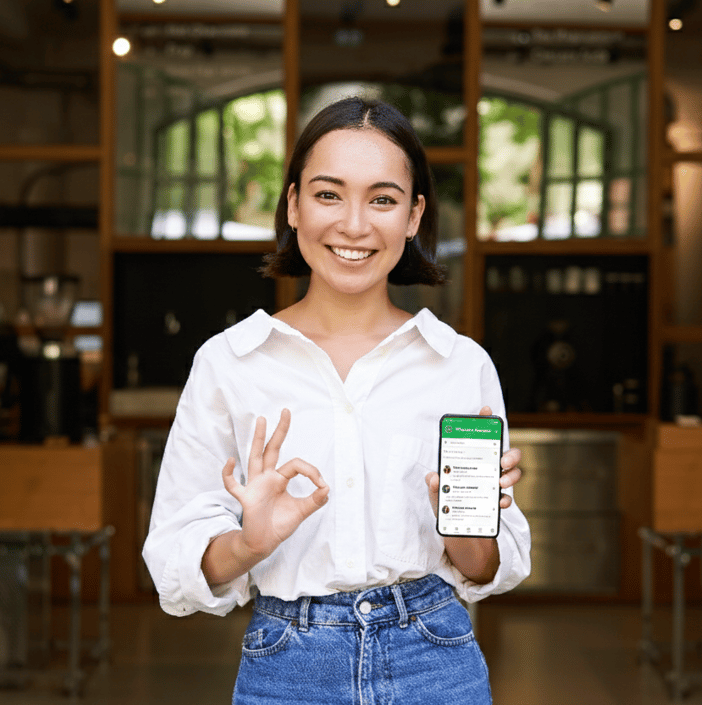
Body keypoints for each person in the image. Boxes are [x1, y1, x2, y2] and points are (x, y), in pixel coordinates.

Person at [143, 96, 531, 705]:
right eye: (328, 194)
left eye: (382, 198)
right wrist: (249, 542)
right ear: (294, 205)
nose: (355, 224)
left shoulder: (459, 365)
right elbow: (175, 563)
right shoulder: (230, 362)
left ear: (413, 215)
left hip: (436, 660)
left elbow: (482, 569)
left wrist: (467, 518)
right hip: (286, 666)